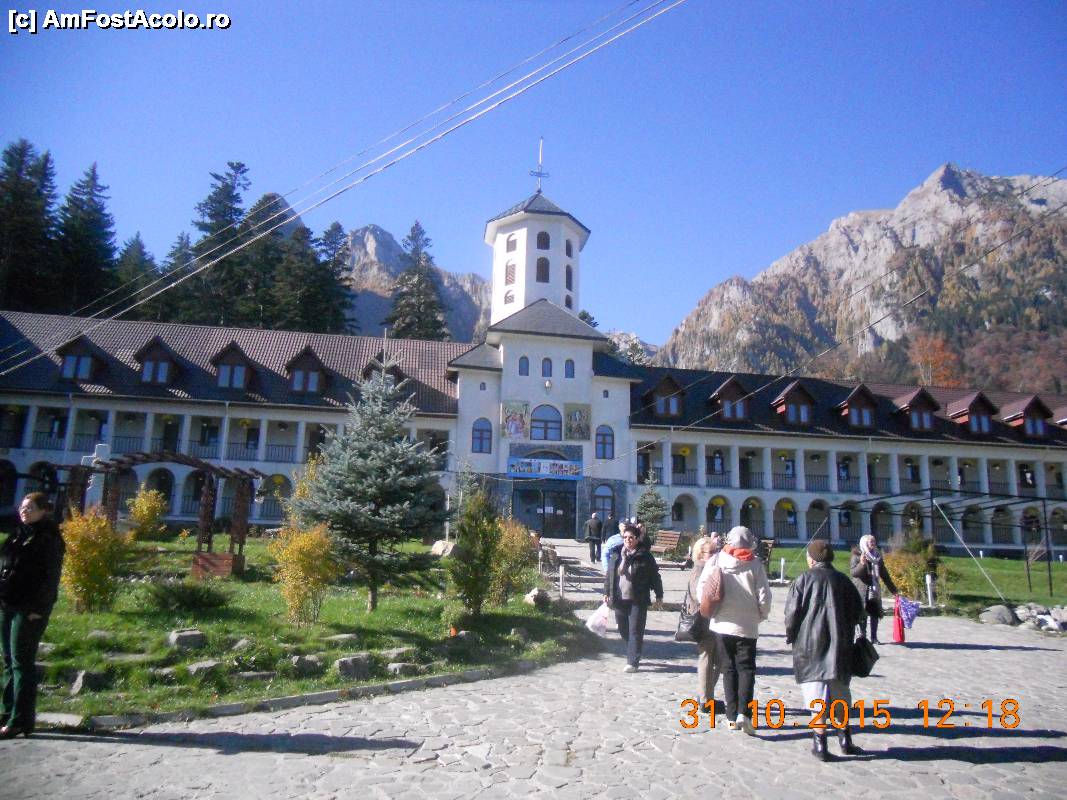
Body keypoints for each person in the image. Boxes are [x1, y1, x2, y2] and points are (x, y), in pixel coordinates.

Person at [784, 539, 865, 761]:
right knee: (840, 694)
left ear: (811, 559)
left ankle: (820, 743)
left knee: (815, 695)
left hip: (809, 644)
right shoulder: (843, 581)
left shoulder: (802, 580)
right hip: (840, 644)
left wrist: (791, 635)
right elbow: (858, 613)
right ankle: (845, 739)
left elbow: (791, 614)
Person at [0, 492, 66, 738]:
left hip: (29, 609)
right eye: (23, 507)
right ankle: (7, 713)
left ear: (43, 511)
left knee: (21, 662)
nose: (24, 511)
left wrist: (39, 608)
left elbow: (50, 578)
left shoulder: (48, 538)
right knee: (8, 662)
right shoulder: (18, 534)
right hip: (8, 603)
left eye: (30, 508)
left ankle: (20, 720)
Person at [698, 525, 771, 734]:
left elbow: (703, 588)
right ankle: (744, 714)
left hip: (721, 623)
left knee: (728, 668)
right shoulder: (755, 564)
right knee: (746, 668)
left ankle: (731, 716)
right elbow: (764, 596)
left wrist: (710, 609)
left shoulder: (716, 560)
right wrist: (761, 615)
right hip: (747, 624)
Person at [604, 523, 663, 672]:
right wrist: (606, 592)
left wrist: (659, 595)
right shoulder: (617, 553)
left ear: (637, 539)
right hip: (619, 598)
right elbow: (610, 574)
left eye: (631, 537)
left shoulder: (645, 556)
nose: (627, 540)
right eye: (625, 537)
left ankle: (632, 662)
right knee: (623, 629)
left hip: (638, 598)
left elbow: (655, 576)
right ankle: (634, 648)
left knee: (635, 630)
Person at [687, 533, 723, 712]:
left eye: (717, 551)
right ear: (700, 554)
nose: (715, 555)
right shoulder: (700, 569)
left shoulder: (710, 567)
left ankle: (705, 694)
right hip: (704, 619)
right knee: (707, 657)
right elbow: (698, 595)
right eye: (711, 552)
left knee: (717, 659)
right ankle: (705, 700)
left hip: (712, 618)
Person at [849, 534, 898, 644]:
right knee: (863, 613)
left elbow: (884, 575)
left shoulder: (877, 557)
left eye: (874, 541)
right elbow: (854, 573)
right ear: (865, 543)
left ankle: (874, 637)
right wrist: (862, 564)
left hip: (874, 589)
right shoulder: (857, 556)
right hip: (861, 590)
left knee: (875, 613)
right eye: (871, 542)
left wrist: (894, 590)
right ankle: (862, 637)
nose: (873, 544)